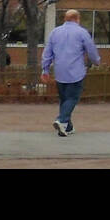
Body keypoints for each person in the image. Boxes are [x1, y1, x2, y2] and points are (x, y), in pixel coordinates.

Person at [40, 9, 100, 138]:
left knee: (64, 99)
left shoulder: (55, 32)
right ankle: (61, 120)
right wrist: (96, 61)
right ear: (77, 19)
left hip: (60, 71)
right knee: (72, 98)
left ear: (65, 19)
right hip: (75, 71)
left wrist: (45, 69)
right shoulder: (82, 32)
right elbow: (91, 49)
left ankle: (67, 126)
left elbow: (47, 52)